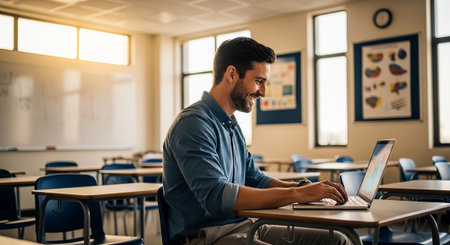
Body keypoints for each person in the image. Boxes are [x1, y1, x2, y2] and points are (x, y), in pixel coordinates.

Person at [162, 37, 351, 245]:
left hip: (246, 227)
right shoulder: (192, 124)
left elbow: (256, 179)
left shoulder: (231, 124)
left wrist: (305, 189)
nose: (263, 92)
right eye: (258, 81)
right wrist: (297, 194)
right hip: (205, 237)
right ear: (231, 74)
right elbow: (217, 198)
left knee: (338, 241)